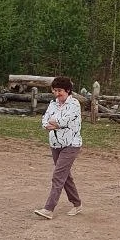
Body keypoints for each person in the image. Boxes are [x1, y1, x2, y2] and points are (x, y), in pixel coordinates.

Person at [34, 76, 83, 220]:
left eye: (59, 90)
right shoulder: (53, 104)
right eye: (54, 90)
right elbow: (45, 120)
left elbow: (65, 120)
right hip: (55, 144)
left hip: (71, 144)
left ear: (67, 90)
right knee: (65, 176)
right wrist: (51, 124)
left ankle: (48, 209)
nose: (57, 93)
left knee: (58, 176)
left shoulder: (74, 104)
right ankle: (77, 204)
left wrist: (55, 123)